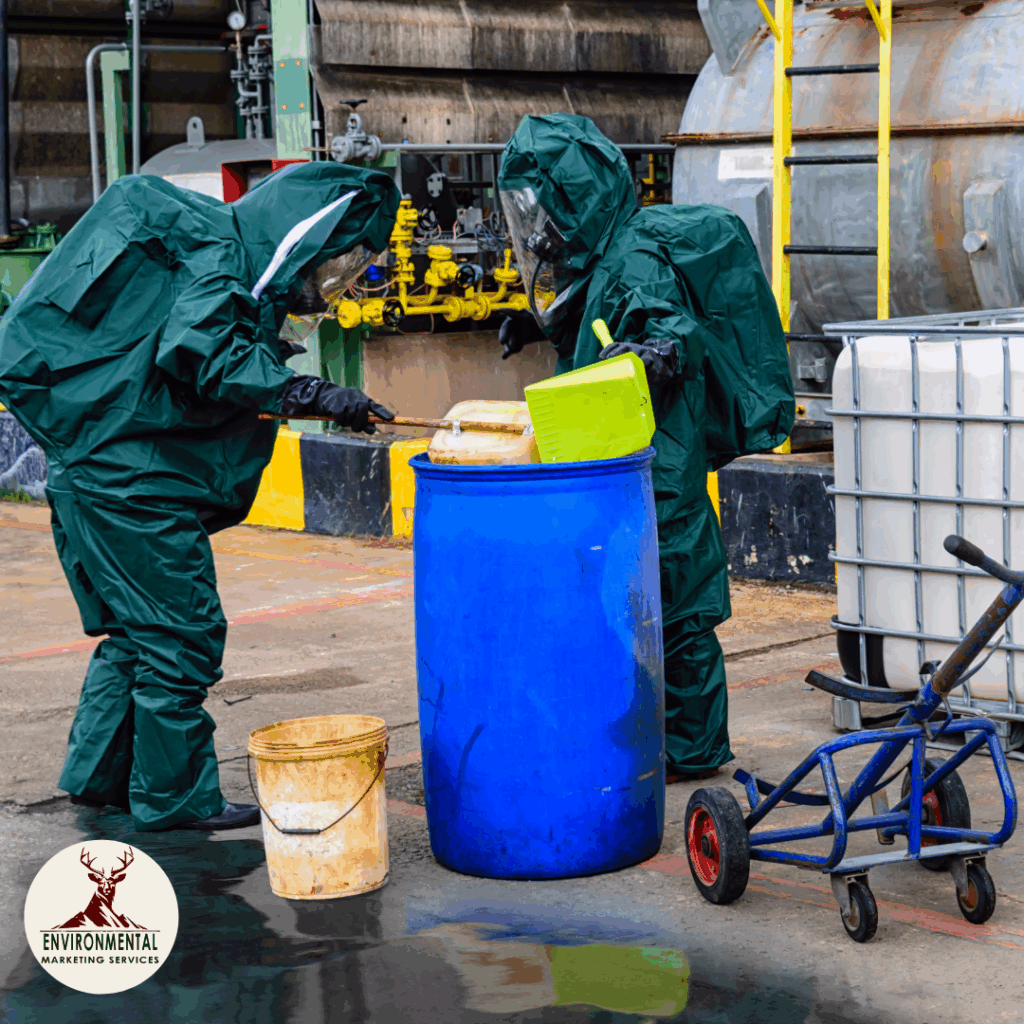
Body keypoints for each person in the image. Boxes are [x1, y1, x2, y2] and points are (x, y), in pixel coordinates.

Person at [0, 162, 400, 830]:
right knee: (180, 637)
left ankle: (100, 778)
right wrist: (306, 392)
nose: (334, 284)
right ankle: (175, 797)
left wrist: (309, 396)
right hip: (133, 486)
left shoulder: (214, 255)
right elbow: (204, 350)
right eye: (336, 265)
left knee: (136, 634)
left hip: (100, 471)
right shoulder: (221, 259)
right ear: (304, 238)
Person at [498, 114, 794, 780]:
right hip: (628, 454)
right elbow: (601, 320)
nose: (541, 229)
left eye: (546, 206)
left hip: (661, 460)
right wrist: (537, 324)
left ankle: (692, 749)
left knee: (677, 606)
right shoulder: (607, 252)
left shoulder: (633, 256)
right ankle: (654, 732)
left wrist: (657, 351)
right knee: (635, 603)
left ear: (576, 196)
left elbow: (669, 328)